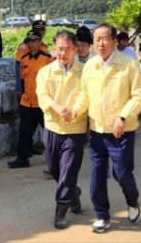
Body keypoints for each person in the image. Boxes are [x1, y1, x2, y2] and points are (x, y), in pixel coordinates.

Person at [69, 23, 141, 233]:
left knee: (122, 174)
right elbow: (84, 95)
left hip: (121, 131)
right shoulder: (90, 66)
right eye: (97, 39)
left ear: (113, 40)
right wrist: (76, 111)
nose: (100, 43)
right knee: (96, 178)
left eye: (104, 39)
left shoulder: (129, 65)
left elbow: (140, 96)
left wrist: (123, 116)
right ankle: (102, 216)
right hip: (96, 131)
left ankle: (133, 200)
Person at [37, 30, 87, 229]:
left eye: (67, 49)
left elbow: (86, 95)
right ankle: (74, 193)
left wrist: (74, 111)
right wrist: (58, 108)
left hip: (75, 128)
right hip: (52, 126)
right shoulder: (45, 72)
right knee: (54, 169)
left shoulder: (85, 71)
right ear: (53, 49)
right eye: (59, 49)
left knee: (67, 171)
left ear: (75, 49)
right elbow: (42, 95)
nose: (63, 53)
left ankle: (61, 209)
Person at [7, 30, 54, 168]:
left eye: (34, 41)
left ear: (40, 42)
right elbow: (22, 80)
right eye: (29, 41)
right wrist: (20, 93)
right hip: (27, 102)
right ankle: (22, 158)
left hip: (43, 103)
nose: (31, 44)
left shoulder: (48, 60)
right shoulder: (24, 59)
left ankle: (55, 160)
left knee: (51, 132)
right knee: (25, 131)